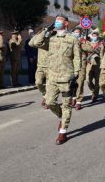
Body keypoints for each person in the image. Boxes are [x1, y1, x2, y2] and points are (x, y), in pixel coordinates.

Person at [32, 14, 81, 145]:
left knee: (66, 105)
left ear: (66, 23)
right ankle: (61, 116)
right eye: (56, 20)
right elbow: (34, 43)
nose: (57, 22)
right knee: (50, 102)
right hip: (52, 77)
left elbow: (77, 57)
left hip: (66, 77)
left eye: (60, 20)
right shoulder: (50, 38)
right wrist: (46, 30)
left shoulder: (72, 39)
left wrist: (76, 73)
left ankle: (63, 132)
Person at [29, 27, 53, 109]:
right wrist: (39, 34)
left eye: (47, 31)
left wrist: (44, 34)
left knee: (50, 85)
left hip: (50, 66)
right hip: (40, 66)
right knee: (38, 83)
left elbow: (37, 43)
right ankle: (45, 94)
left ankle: (48, 100)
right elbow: (31, 43)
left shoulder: (52, 40)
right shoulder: (40, 39)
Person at [71, 26, 92, 110]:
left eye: (78, 32)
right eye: (75, 32)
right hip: (71, 64)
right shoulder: (69, 40)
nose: (77, 33)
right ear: (72, 33)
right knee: (71, 83)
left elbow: (90, 49)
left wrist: (81, 44)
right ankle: (73, 98)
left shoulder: (84, 41)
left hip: (81, 65)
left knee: (80, 82)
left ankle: (79, 101)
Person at [86, 32, 104, 103]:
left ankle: (95, 95)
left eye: (95, 35)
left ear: (98, 36)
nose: (94, 36)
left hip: (98, 64)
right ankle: (93, 90)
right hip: (89, 64)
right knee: (88, 80)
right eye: (93, 35)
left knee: (97, 81)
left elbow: (102, 53)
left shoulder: (101, 44)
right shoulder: (88, 43)